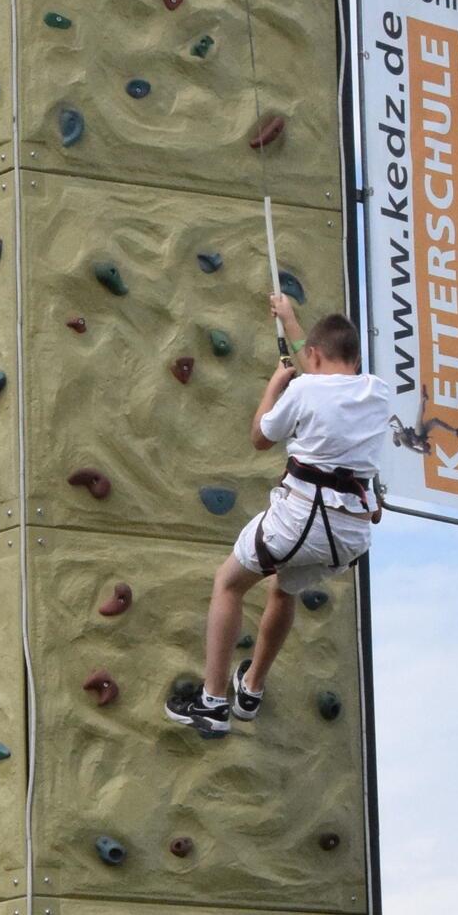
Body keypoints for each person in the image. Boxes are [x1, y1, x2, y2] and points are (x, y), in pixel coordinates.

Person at [164, 299, 390, 739]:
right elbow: (325, 378)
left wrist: (275, 385)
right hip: (348, 535)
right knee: (283, 591)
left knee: (228, 583)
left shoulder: (303, 391)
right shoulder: (376, 394)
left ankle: (212, 701)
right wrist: (289, 321)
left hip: (300, 519)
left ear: (315, 357)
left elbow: (259, 437)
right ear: (357, 359)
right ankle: (250, 689)